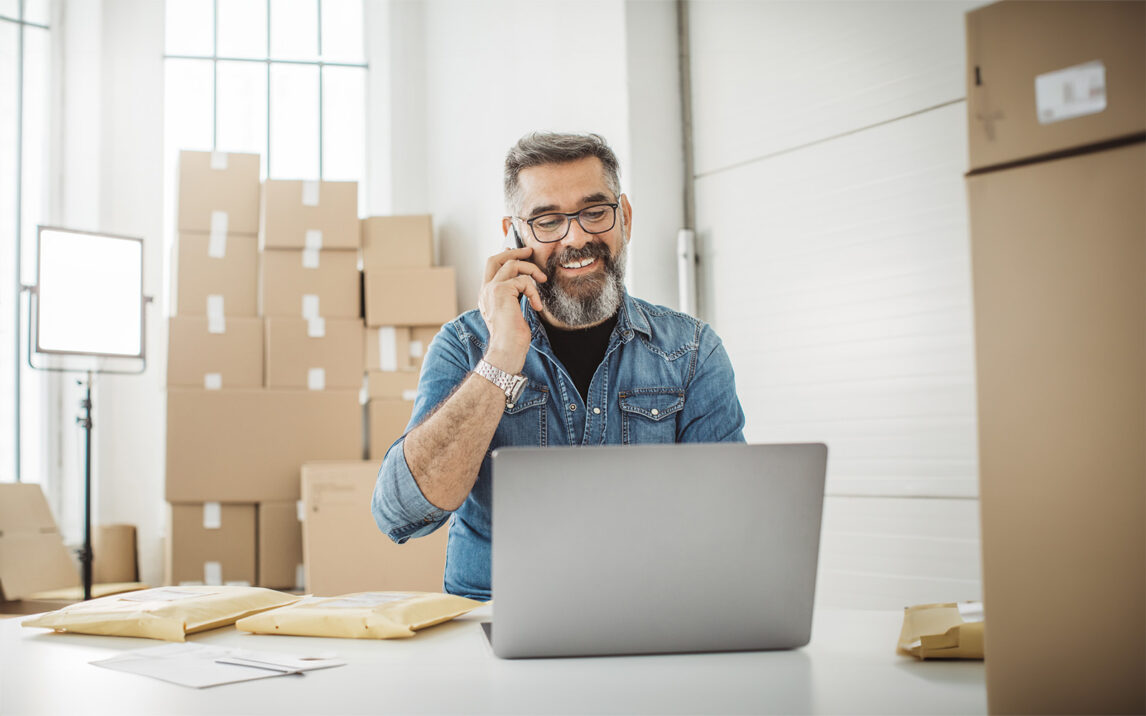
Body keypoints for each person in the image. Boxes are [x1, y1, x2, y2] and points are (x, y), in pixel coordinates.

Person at [372, 132, 746, 601]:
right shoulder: (465, 346)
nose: (577, 237)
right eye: (548, 220)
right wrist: (501, 359)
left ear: (624, 217)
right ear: (515, 234)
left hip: (646, 621)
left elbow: (729, 525)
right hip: (495, 627)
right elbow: (401, 515)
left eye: (595, 212)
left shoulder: (692, 352)